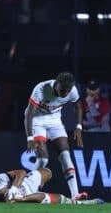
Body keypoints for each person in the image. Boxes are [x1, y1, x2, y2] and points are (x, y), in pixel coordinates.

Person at [24, 72, 87, 200]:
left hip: (54, 120)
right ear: (56, 84)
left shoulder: (72, 91)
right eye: (62, 90)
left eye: (67, 92)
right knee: (43, 160)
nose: (64, 93)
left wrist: (79, 127)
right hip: (37, 119)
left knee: (65, 156)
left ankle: (75, 195)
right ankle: (27, 188)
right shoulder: (41, 89)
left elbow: (78, 106)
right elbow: (29, 114)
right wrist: (29, 137)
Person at [0, 168, 104, 205]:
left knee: (48, 172)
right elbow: (40, 196)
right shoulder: (14, 200)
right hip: (31, 194)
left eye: (6, 192)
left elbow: (21, 172)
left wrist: (14, 188)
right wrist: (23, 199)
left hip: (27, 182)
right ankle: (81, 203)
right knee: (60, 199)